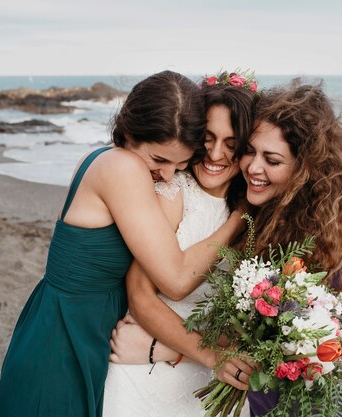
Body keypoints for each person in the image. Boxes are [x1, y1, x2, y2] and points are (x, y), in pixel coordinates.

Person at [0, 71, 246, 417]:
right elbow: (175, 279)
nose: (168, 175)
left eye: (181, 164)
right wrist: (238, 219)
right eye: (159, 160)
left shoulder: (109, 159)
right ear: (128, 133)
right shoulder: (122, 168)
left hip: (86, 326)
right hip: (66, 333)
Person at [240, 83, 342, 417]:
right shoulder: (255, 205)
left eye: (271, 159)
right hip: (274, 394)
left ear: (305, 166)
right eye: (249, 151)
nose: (253, 168)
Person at [103, 74, 257, 417]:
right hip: (145, 378)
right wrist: (207, 354)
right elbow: (140, 296)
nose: (216, 154)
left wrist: (171, 350)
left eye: (232, 144)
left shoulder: (259, 214)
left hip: (211, 376)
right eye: (208, 138)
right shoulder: (171, 193)